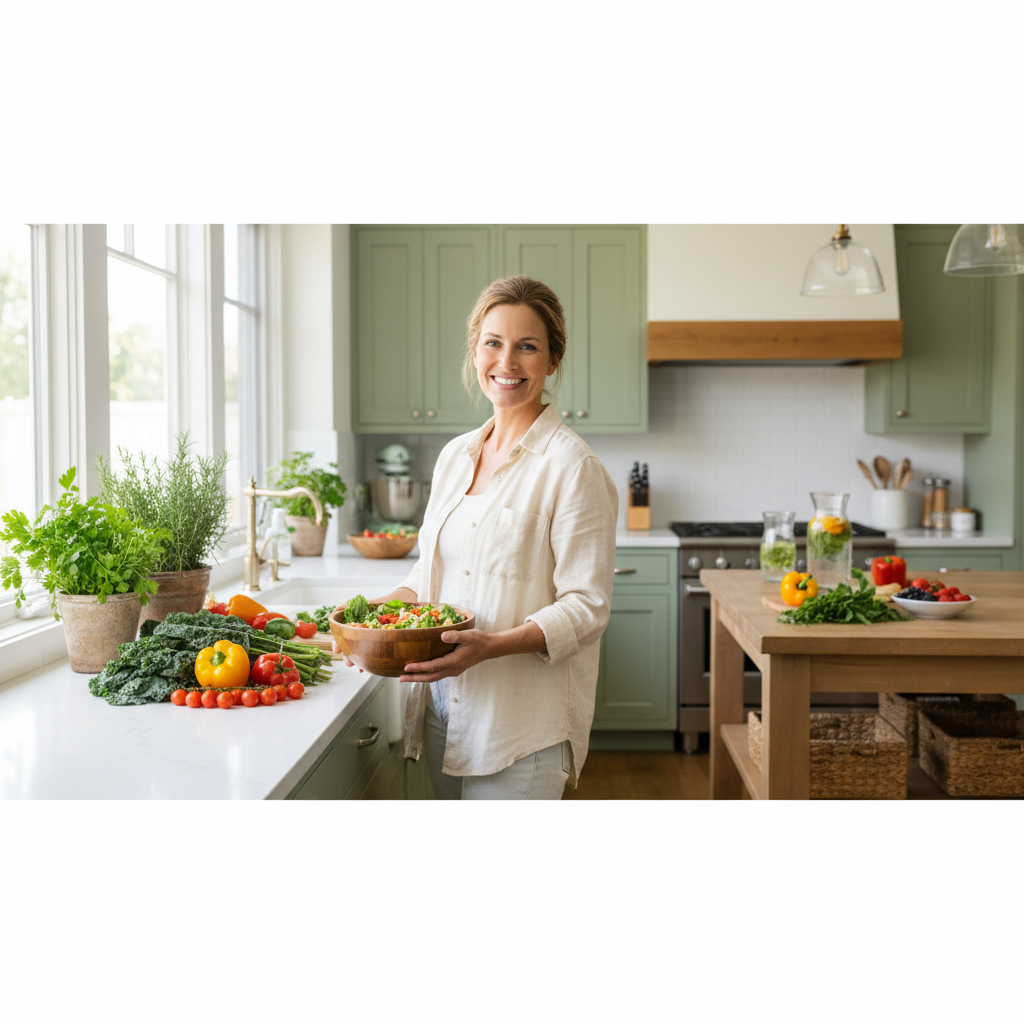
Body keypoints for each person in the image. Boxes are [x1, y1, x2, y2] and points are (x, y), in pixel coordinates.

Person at [335, 275, 618, 799]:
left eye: (527, 347)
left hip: (520, 730)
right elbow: (430, 577)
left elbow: (587, 607)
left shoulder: (572, 466)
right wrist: (370, 618)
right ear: (475, 351)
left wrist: (489, 647)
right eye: (494, 343)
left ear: (552, 361)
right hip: (443, 714)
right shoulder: (454, 456)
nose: (507, 362)